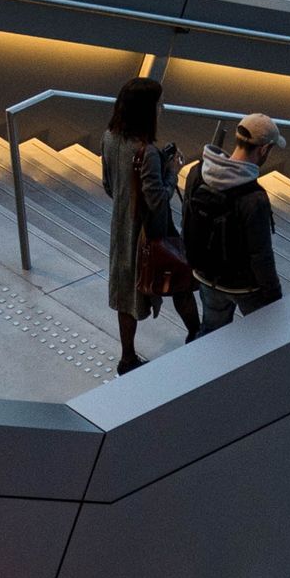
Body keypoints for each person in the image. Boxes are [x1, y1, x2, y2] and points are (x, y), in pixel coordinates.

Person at [101, 75, 199, 374]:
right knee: (180, 280)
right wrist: (172, 171)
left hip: (122, 231)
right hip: (152, 233)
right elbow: (158, 199)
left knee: (126, 294)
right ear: (147, 109)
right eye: (159, 103)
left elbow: (108, 185)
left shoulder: (110, 137)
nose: (161, 108)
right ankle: (197, 333)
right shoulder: (148, 153)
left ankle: (127, 357)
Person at [181, 111, 286, 328]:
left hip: (205, 274)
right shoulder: (254, 198)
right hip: (243, 286)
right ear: (264, 149)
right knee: (264, 337)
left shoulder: (197, 172)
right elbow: (260, 254)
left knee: (212, 332)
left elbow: (186, 219)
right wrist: (274, 294)